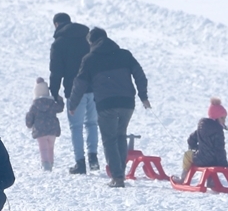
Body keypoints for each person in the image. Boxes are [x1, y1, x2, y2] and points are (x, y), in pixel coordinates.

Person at [66, 27, 151, 188]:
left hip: (106, 104)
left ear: (91, 42)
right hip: (127, 103)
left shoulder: (90, 59)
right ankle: (120, 173)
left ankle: (118, 177)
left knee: (110, 139)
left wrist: (73, 104)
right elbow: (139, 74)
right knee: (120, 135)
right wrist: (143, 96)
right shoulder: (124, 54)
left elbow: (80, 83)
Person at [48, 13, 97, 174]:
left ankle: (80, 163)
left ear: (56, 24)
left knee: (76, 127)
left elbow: (56, 71)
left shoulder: (59, 44)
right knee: (92, 124)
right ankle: (93, 159)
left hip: (74, 90)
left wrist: (54, 93)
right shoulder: (89, 38)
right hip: (94, 87)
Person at [174, 98, 228, 185]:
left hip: (202, 159)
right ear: (215, 118)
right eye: (222, 118)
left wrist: (194, 149)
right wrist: (224, 164)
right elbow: (220, 149)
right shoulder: (219, 131)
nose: (224, 121)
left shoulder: (202, 127)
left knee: (187, 155)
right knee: (211, 159)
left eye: (224, 118)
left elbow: (191, 139)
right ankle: (211, 181)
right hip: (214, 161)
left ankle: (183, 178)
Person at [26, 77, 64, 171]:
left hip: (40, 131)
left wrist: (29, 123)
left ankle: (45, 164)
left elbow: (30, 119)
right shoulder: (52, 103)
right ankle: (50, 163)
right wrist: (59, 99)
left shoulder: (34, 106)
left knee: (43, 148)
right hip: (52, 130)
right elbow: (60, 108)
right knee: (50, 147)